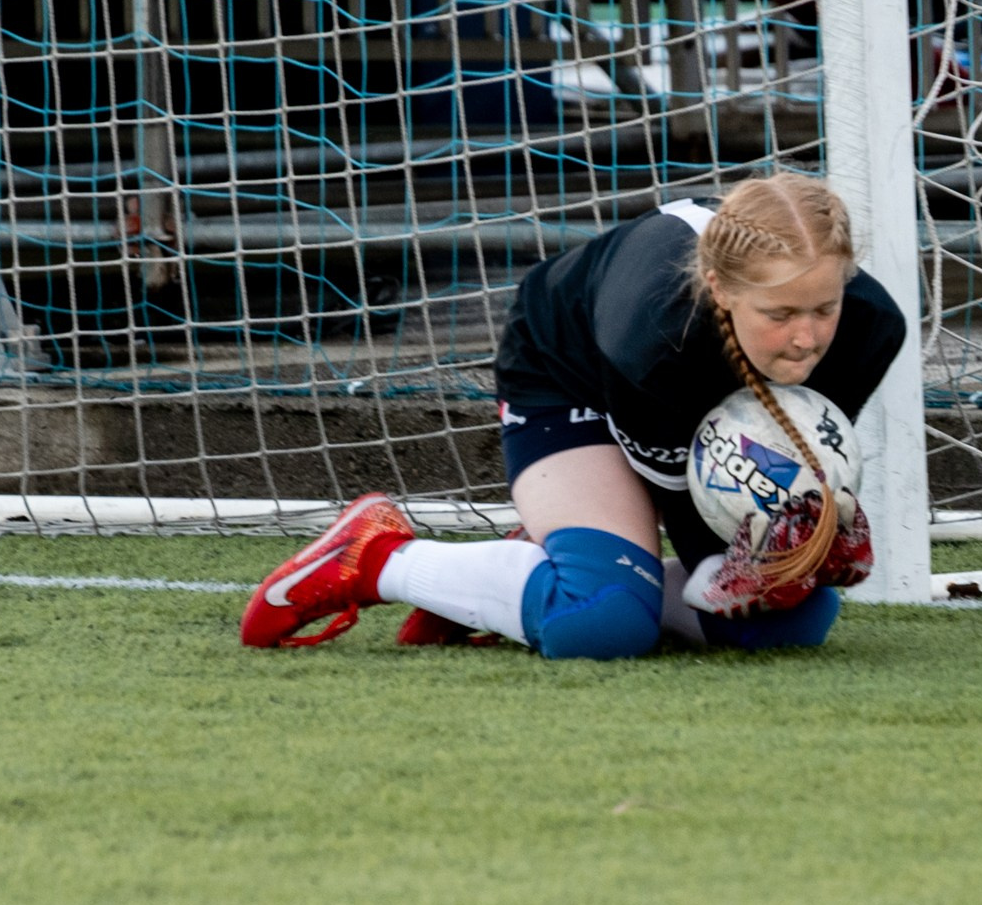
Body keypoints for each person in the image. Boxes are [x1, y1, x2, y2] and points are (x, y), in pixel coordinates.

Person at [239, 171, 907, 658]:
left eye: (823, 308)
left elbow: (783, 479)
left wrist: (807, 533)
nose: (806, 338)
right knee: (602, 619)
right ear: (720, 289)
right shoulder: (651, 341)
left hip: (665, 409)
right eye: (780, 315)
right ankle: (375, 555)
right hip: (569, 371)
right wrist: (759, 556)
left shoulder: (871, 330)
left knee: (791, 621)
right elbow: (703, 526)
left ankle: (526, 567)